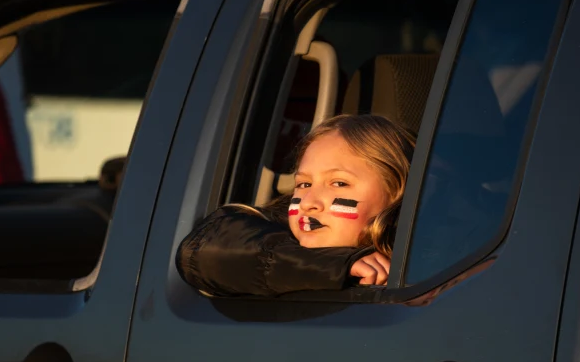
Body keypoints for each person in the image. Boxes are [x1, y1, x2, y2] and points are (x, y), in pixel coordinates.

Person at [176, 114, 415, 297]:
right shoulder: (275, 232)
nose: (309, 203)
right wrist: (337, 264)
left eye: (339, 183)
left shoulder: (423, 270)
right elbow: (201, 251)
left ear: (397, 193)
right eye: (303, 184)